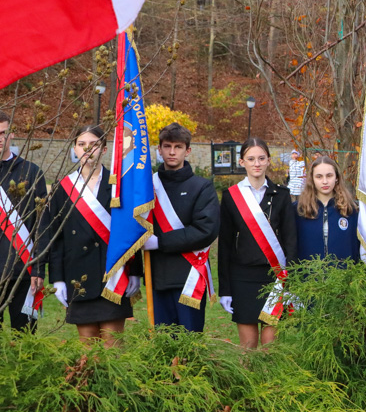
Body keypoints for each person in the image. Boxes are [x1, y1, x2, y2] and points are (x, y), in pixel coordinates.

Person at [49, 125, 140, 346]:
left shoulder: (119, 185)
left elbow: (132, 232)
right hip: (79, 276)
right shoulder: (64, 188)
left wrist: (135, 272)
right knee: (87, 351)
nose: (88, 150)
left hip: (112, 276)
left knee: (113, 350)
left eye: (94, 145)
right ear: (75, 150)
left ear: (105, 149)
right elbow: (55, 238)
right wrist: (58, 278)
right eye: (82, 145)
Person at [218, 138, 297, 349]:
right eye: (251, 159)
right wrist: (225, 289)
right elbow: (224, 245)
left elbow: (291, 241)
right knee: (248, 347)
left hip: (275, 277)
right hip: (242, 277)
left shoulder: (282, 195)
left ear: (269, 161)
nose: (257, 163)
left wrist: (291, 282)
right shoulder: (231, 196)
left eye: (261, 158)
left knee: (270, 346)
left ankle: (271, 384)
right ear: (242, 162)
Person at [143, 123, 220, 332]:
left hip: (189, 278)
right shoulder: (147, 187)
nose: (172, 152)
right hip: (158, 275)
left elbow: (205, 230)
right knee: (163, 345)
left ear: (188, 151)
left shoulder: (202, 187)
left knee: (189, 347)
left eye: (178, 147)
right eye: (167, 146)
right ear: (159, 149)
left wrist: (160, 242)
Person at [0, 111, 48, 332]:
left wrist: (38, 268)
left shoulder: (31, 172)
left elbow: (41, 224)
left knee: (26, 337)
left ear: (11, 134)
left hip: (23, 269)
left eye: (3, 133)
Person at [294, 156, 360, 263]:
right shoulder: (299, 210)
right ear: (312, 179)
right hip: (308, 276)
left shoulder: (351, 210)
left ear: (336, 177)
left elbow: (356, 249)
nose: (325, 181)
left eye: (329, 176)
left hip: (344, 276)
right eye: (319, 177)